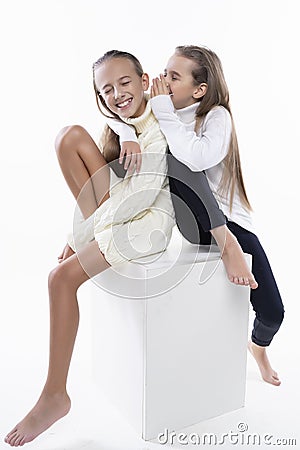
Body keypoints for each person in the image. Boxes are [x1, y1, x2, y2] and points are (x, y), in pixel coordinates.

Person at [4, 50, 176, 447]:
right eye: (107, 89)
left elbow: (144, 195)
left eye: (125, 83)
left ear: (145, 79)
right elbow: (115, 187)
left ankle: (54, 395)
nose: (117, 93)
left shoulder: (157, 124)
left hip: (145, 224)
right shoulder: (127, 125)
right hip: (122, 209)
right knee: (69, 137)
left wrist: (81, 239)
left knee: (59, 280)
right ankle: (54, 394)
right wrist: (74, 236)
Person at [110, 45, 285, 387]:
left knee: (273, 313)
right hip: (195, 222)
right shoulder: (159, 108)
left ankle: (258, 347)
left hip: (230, 222)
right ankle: (225, 244)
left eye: (174, 76)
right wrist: (129, 132)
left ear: (199, 89)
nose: (163, 80)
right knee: (175, 158)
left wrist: (162, 112)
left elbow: (199, 158)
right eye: (164, 72)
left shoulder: (216, 115)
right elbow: (112, 108)